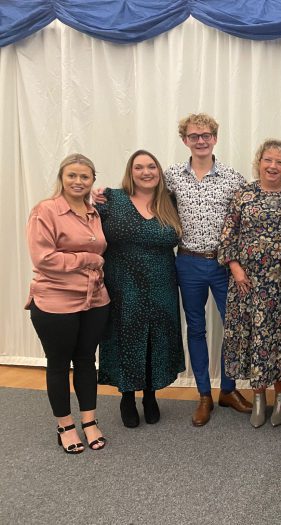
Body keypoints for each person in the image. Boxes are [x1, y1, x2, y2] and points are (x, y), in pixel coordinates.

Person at [95, 113, 252, 425]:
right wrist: (98, 196)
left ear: (215, 138)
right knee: (196, 328)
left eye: (206, 135)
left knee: (233, 328)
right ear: (185, 140)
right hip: (187, 262)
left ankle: (229, 390)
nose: (201, 140)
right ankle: (204, 395)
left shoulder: (235, 179)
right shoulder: (171, 178)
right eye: (194, 136)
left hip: (222, 263)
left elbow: (247, 218)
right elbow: (136, 197)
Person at [26, 153, 109, 453]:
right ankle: (65, 425)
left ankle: (89, 421)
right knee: (59, 364)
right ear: (61, 177)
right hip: (55, 301)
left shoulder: (94, 212)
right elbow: (43, 258)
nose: (78, 181)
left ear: (92, 181)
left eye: (84, 177)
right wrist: (87, 259)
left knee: (87, 361)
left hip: (95, 299)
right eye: (72, 175)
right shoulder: (45, 211)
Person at [96, 150, 185, 428]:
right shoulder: (111, 198)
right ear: (130, 171)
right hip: (123, 282)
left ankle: (150, 394)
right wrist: (89, 196)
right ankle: (127, 396)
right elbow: (83, 219)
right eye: (139, 167)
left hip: (162, 283)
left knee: (156, 338)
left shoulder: (170, 201)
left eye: (151, 167)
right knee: (126, 336)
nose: (146, 172)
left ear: (158, 171)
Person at [218, 139, 281, 428]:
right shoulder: (243, 195)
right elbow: (228, 236)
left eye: (280, 162)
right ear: (259, 162)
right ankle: (259, 397)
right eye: (268, 160)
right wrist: (236, 269)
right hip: (247, 283)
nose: (273, 166)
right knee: (255, 337)